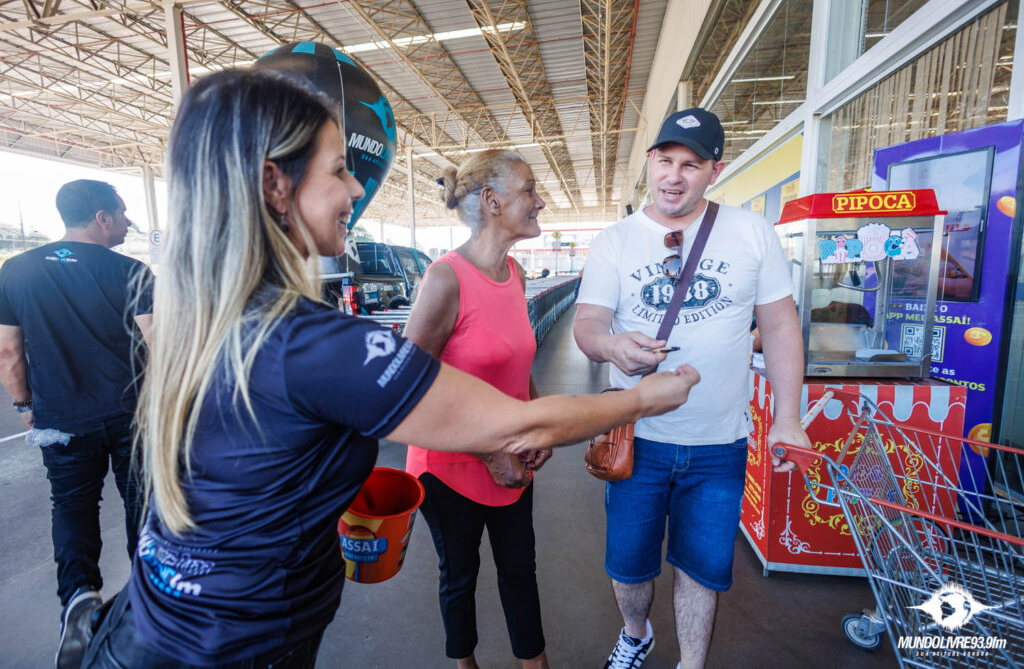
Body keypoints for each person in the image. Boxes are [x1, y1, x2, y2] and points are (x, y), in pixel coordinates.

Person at [81, 68, 699, 668]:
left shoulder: (204, 314)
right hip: (235, 647)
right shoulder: (312, 343)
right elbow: (520, 426)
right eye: (338, 170)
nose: (356, 190)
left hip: (152, 627)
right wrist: (644, 399)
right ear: (275, 184)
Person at [573, 107, 811, 669]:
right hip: (636, 441)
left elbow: (780, 326)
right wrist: (613, 346)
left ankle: (691, 664)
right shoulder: (615, 240)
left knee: (702, 571)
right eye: (665, 160)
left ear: (714, 171)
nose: (674, 176)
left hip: (719, 445)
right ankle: (636, 634)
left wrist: (788, 418)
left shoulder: (751, 233)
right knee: (628, 567)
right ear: (650, 162)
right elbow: (587, 325)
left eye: (691, 164)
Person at [403, 149, 550, 669]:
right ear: (492, 201)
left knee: (520, 571)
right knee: (459, 576)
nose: (539, 201)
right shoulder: (445, 279)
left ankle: (536, 664)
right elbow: (409, 387)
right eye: (529, 190)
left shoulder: (516, 275)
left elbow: (516, 360)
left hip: (512, 456)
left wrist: (536, 421)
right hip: (450, 464)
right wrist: (491, 453)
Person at [0, 179, 153, 668]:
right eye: (123, 214)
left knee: (71, 504)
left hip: (61, 420)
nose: (127, 224)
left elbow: (8, 352)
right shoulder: (131, 271)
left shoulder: (16, 270)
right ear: (102, 217)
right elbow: (160, 344)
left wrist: (25, 404)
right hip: (131, 414)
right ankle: (146, 601)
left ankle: (79, 596)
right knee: (143, 501)